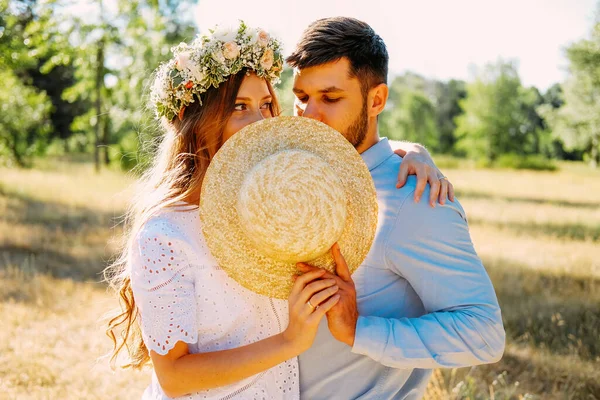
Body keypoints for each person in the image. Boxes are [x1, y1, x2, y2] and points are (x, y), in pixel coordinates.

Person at [103, 21, 453, 400]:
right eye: (240, 107)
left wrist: (411, 150)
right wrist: (289, 342)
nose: (260, 121)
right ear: (202, 122)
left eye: (267, 104)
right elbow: (173, 376)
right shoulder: (166, 234)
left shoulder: (274, 202)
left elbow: (335, 150)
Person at [287, 17, 506, 400]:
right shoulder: (286, 177)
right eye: (302, 97)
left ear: (376, 100)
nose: (309, 115)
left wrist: (359, 331)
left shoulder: (414, 197)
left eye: (330, 98)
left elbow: (483, 333)